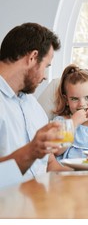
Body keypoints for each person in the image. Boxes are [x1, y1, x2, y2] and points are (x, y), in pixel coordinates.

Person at [0, 22, 70, 181]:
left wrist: (81, 177)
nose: (45, 76)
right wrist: (31, 151)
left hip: (39, 200)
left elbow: (50, 163)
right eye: (46, 66)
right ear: (32, 57)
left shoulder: (33, 106)